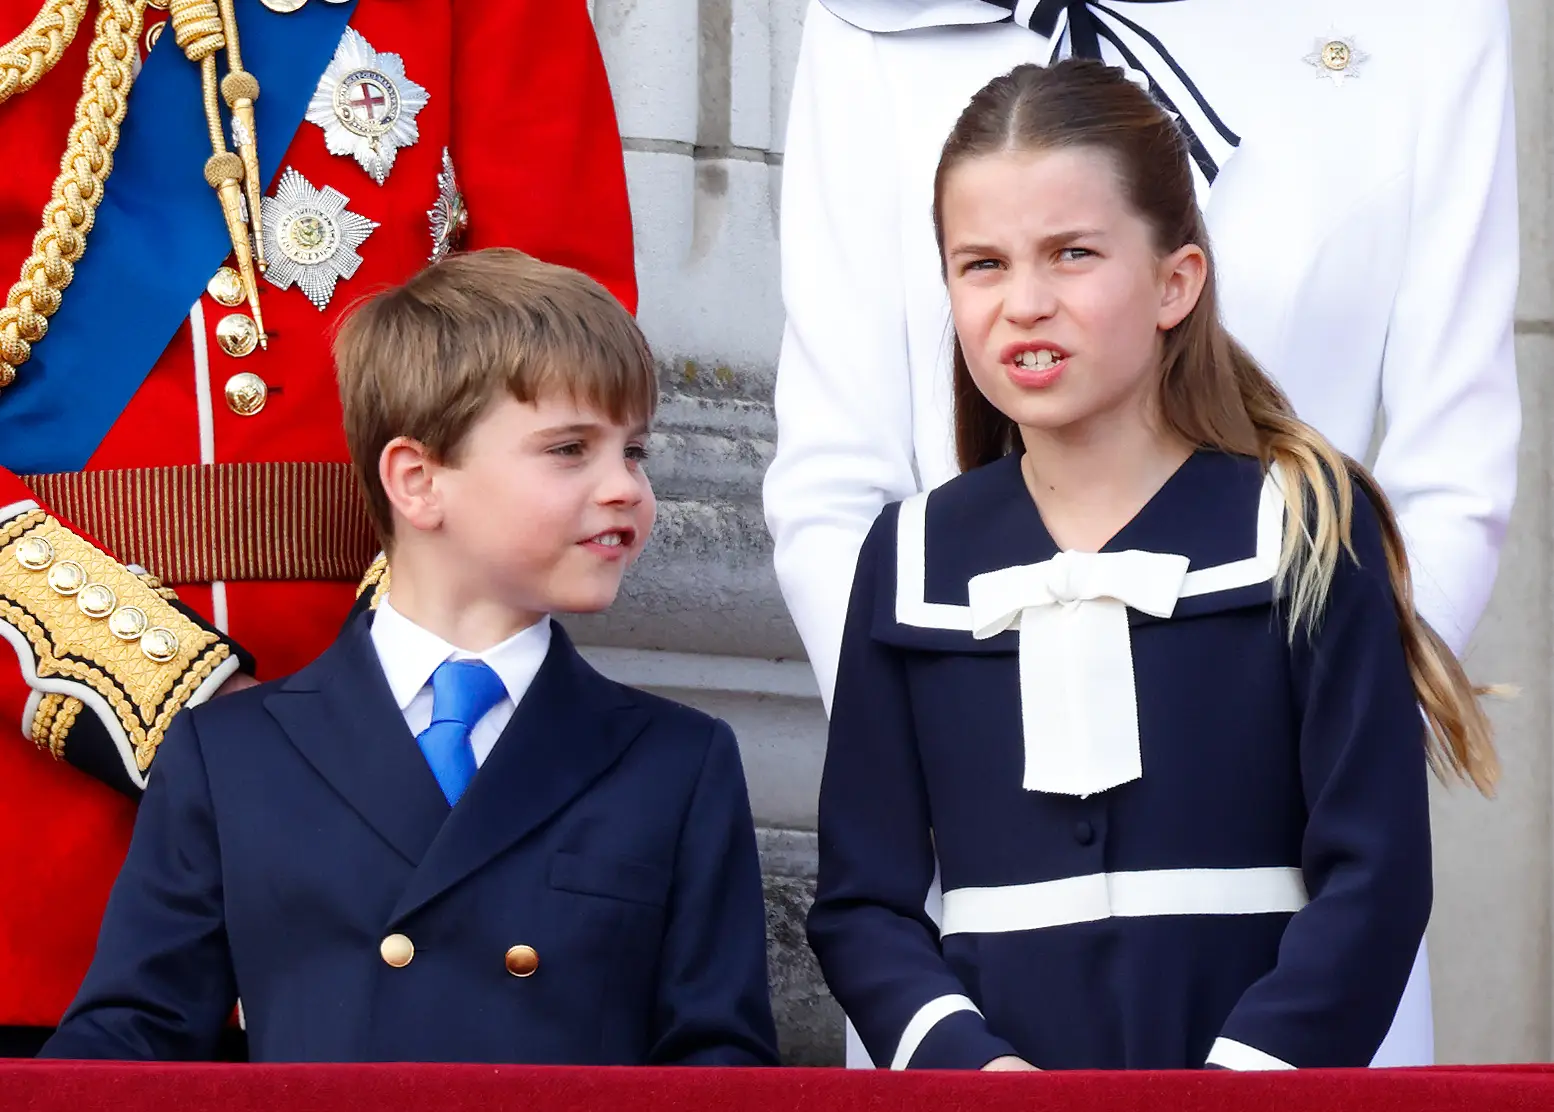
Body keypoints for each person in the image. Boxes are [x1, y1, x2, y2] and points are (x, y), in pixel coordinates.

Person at [764, 0, 1520, 1066]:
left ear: (1178, 283)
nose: (1024, 303)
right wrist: (967, 1063)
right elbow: (864, 899)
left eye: (1071, 254)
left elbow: (1373, 872)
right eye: (980, 266)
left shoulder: (1310, 530)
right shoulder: (914, 560)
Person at [0, 0, 636, 1054]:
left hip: (384, 814)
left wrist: (356, 727)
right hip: (39, 826)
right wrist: (179, 703)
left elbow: (562, 378)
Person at [37, 248, 780, 1065]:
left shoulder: (676, 759)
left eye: (633, 451)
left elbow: (717, 1061)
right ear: (417, 480)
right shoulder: (230, 755)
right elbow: (128, 1044)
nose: (626, 489)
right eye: (570, 449)